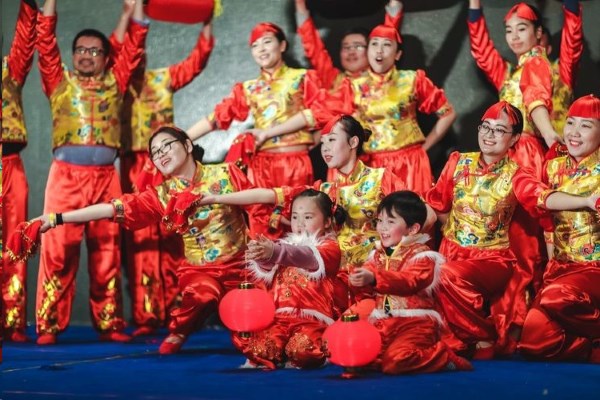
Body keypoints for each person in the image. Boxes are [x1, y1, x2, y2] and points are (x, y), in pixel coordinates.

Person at [35, 125, 263, 353]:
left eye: (166, 146)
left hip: (243, 268)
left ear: (187, 145)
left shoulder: (226, 173)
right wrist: (57, 218)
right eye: (155, 152)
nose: (161, 154)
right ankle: (180, 329)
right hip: (202, 271)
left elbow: (259, 208)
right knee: (203, 294)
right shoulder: (161, 195)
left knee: (262, 344)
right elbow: (112, 209)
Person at [195, 115, 430, 313]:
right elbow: (268, 195)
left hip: (371, 271)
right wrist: (214, 199)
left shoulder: (381, 179)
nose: (325, 148)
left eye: (332, 141)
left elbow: (423, 215)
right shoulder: (323, 190)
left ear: (353, 142)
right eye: (323, 142)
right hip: (335, 271)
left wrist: (395, 249)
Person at [425, 100, 589, 359]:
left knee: (447, 274)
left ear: (514, 140)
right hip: (452, 251)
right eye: (485, 127)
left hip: (491, 259)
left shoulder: (516, 174)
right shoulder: (458, 162)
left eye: (500, 130)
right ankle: (467, 343)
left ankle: (483, 336)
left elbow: (544, 198)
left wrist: (585, 201)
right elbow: (437, 205)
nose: (490, 135)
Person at [34, 0, 148, 345]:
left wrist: (134, 8)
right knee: (57, 250)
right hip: (65, 177)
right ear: (73, 56)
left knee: (107, 250)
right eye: (81, 50)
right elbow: (45, 42)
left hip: (105, 178)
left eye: (95, 51)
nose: (87, 55)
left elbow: (136, 42)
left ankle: (110, 322)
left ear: (105, 57)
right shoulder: (57, 81)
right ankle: (49, 325)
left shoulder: (117, 80)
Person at [110, 2, 215, 337]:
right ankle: (146, 315)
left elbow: (197, 61)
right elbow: (114, 49)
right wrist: (128, 13)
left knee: (173, 233)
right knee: (141, 240)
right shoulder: (117, 83)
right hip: (132, 164)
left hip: (166, 164)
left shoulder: (163, 78)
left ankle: (179, 311)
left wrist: (208, 21)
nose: (135, 50)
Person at [253, 24, 456, 196]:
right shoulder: (352, 86)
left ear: (398, 54)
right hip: (371, 163)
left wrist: (424, 149)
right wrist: (268, 133)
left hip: (409, 163)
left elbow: (447, 113)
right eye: (374, 45)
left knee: (412, 227)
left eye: (387, 46)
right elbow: (313, 114)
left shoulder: (413, 80)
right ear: (368, 52)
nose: (379, 51)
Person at [467, 0, 555, 311]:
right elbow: (482, 51)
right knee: (505, 235)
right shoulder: (511, 70)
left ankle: (521, 316)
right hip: (508, 150)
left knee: (522, 239)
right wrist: (475, 7)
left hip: (526, 152)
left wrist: (549, 133)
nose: (515, 36)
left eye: (522, 28)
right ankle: (512, 313)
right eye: (509, 30)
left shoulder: (536, 63)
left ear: (538, 32)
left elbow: (535, 100)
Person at [348, 191, 472, 374]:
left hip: (415, 324)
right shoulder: (377, 254)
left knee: (395, 362)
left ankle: (443, 356)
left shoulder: (423, 255)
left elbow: (410, 281)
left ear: (412, 229)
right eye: (380, 221)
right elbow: (365, 289)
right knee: (358, 359)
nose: (382, 228)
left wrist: (374, 278)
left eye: (390, 222)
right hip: (384, 323)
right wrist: (357, 280)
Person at [517, 94, 600, 363]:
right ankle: (591, 345)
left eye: (586, 126)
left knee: (555, 296)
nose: (574, 133)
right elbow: (545, 219)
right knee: (533, 340)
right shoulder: (553, 166)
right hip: (562, 268)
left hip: (593, 268)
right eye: (571, 123)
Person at [230, 189, 342, 369]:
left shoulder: (330, 248)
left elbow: (303, 256)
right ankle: (279, 352)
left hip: (311, 321)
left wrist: (274, 252)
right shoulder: (285, 245)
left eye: (308, 217)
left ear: (328, 221)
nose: (300, 223)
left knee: (302, 350)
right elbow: (270, 269)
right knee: (257, 346)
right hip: (280, 319)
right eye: (295, 217)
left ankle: (298, 352)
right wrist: (262, 256)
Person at [1, 0, 37, 343]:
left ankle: (13, 321)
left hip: (10, 163)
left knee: (16, 241)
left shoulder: (9, 69)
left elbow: (26, 38)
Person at [294, 0, 402, 91]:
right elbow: (313, 47)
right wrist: (300, 3)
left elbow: (389, 33)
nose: (351, 52)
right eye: (346, 47)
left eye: (358, 46)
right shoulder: (333, 79)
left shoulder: (382, 76)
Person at [539, 0, 583, 136]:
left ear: (549, 48)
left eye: (539, 43)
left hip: (558, 147)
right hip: (523, 151)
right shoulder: (510, 75)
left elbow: (572, 40)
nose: (534, 49)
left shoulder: (561, 72)